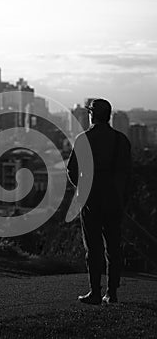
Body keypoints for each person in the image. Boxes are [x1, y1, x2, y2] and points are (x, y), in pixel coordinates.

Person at [67, 99, 132, 305]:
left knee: (93, 248)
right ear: (109, 115)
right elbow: (129, 174)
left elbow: (72, 171)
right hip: (114, 201)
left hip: (91, 201)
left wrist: (82, 189)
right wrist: (123, 198)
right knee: (113, 247)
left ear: (92, 115)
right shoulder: (121, 140)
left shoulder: (83, 139)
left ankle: (95, 292)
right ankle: (112, 293)